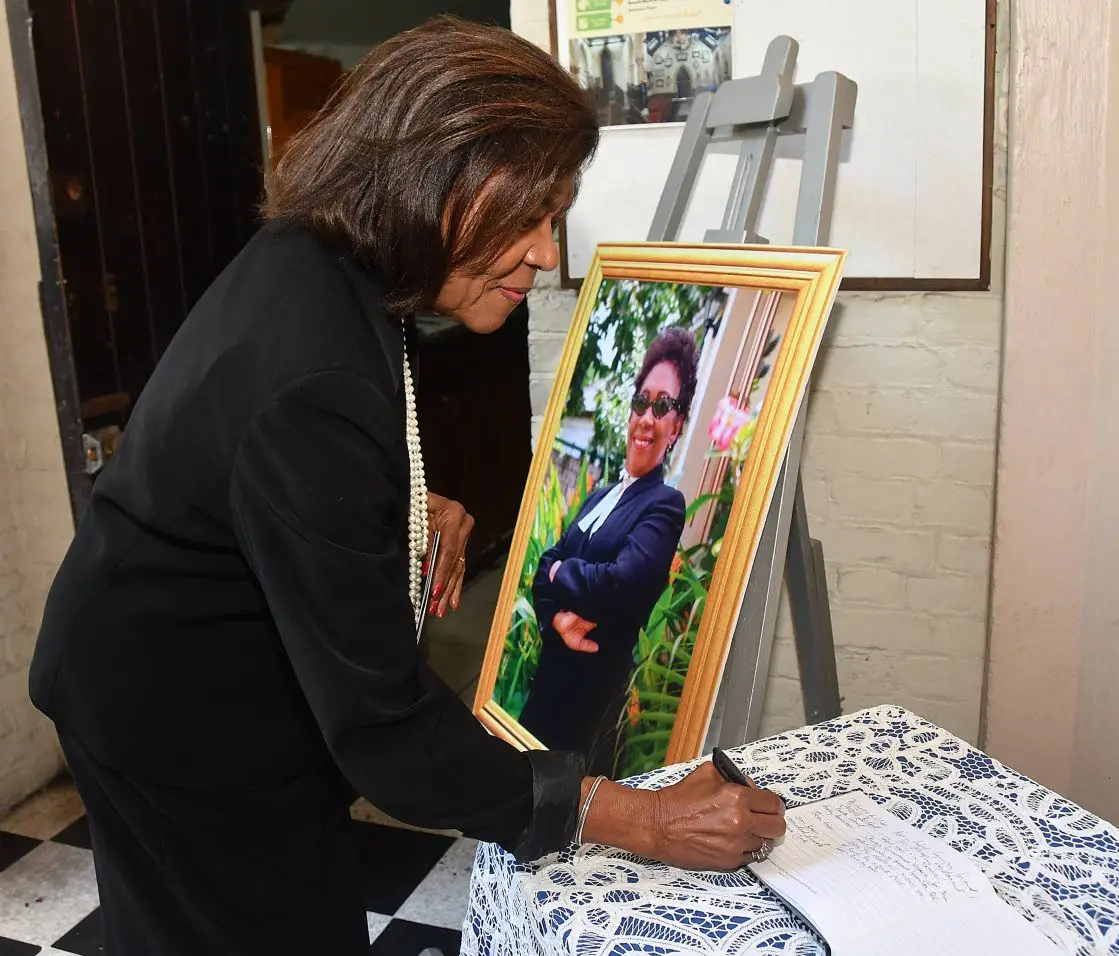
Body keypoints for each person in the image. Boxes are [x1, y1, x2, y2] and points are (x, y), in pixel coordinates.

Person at [28, 17, 785, 956]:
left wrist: (388, 504)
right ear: (432, 181)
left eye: (556, 217)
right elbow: (388, 735)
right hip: (170, 713)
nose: (545, 253)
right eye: (529, 215)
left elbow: (256, 472)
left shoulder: (328, 262)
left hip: (171, 672)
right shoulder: (315, 373)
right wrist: (644, 818)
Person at [520, 329, 697, 774]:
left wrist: (561, 574)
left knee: (559, 809)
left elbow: (623, 582)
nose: (647, 418)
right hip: (547, 688)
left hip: (585, 707)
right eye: (642, 402)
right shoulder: (599, 496)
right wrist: (555, 619)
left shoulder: (664, 505)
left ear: (677, 426)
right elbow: (543, 565)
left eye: (663, 406)